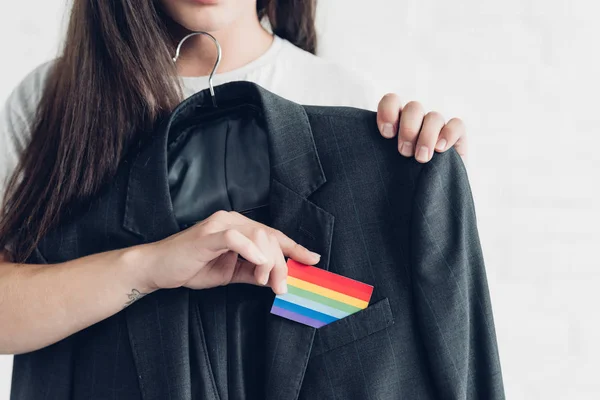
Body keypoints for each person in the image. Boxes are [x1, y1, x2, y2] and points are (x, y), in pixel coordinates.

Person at [0, 0, 467, 379]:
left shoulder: (344, 99)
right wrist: (147, 268)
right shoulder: (52, 100)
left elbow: (366, 336)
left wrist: (427, 178)